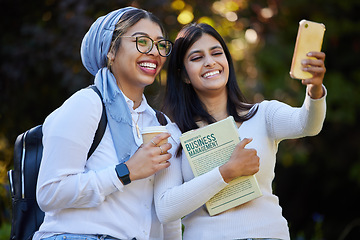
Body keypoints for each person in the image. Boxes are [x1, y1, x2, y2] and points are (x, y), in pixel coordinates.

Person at [154, 23, 327, 240]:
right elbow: (166, 208)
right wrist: (226, 172)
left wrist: (315, 89)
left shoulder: (263, 114)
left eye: (216, 53)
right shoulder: (173, 133)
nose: (210, 62)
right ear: (184, 75)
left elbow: (308, 124)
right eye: (196, 58)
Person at [34, 7, 181, 240]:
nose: (154, 52)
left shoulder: (160, 123)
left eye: (161, 44)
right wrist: (126, 172)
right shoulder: (87, 105)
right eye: (142, 41)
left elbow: (166, 212)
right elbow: (49, 193)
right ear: (111, 50)